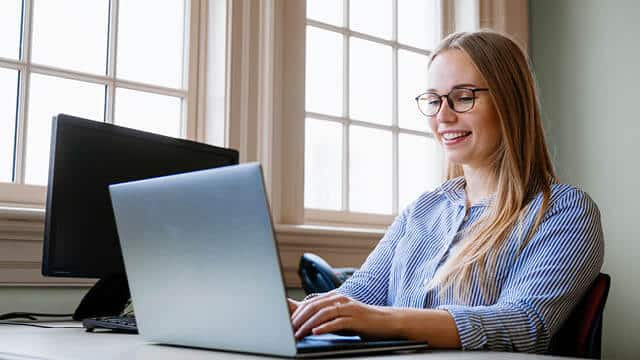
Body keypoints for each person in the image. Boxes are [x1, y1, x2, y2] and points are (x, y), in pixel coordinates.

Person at [287, 30, 604, 353]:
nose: (443, 116)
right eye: (434, 100)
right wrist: (295, 312)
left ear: (510, 102)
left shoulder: (564, 211)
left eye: (463, 97)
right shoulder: (423, 210)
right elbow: (360, 293)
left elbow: (522, 324)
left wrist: (388, 320)